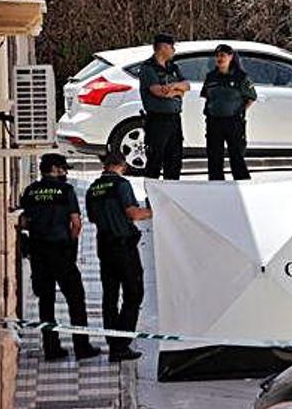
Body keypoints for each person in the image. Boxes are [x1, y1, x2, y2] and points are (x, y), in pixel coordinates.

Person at [20, 153, 101, 361]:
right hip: (61, 250)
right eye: (63, 168)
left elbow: (25, 222)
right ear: (55, 169)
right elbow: (76, 223)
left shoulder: (30, 191)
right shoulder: (66, 190)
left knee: (45, 301)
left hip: (38, 251)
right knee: (75, 299)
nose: (65, 172)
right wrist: (71, 244)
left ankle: (51, 348)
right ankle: (82, 347)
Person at [85, 152, 153, 362]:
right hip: (123, 246)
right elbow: (133, 213)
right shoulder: (121, 184)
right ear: (121, 165)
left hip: (104, 246)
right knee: (134, 293)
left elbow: (93, 218)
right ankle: (121, 344)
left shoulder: (92, 189)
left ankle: (113, 342)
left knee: (110, 296)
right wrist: (153, 211)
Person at [201, 44, 257, 181]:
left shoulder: (240, 77)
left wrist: (239, 111)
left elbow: (251, 97)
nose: (220, 58)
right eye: (218, 56)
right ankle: (216, 185)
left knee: (236, 157)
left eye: (223, 55)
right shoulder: (211, 77)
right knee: (214, 157)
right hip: (214, 121)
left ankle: (242, 184)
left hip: (233, 122)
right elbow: (206, 96)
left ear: (231, 57)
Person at [139, 33, 190, 180]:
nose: (174, 50)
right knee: (155, 159)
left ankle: (172, 193)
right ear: (163, 47)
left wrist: (174, 87)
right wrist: (176, 92)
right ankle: (152, 196)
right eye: (172, 47)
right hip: (157, 119)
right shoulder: (149, 68)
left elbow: (186, 86)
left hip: (174, 118)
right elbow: (158, 91)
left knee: (174, 159)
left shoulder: (172, 67)